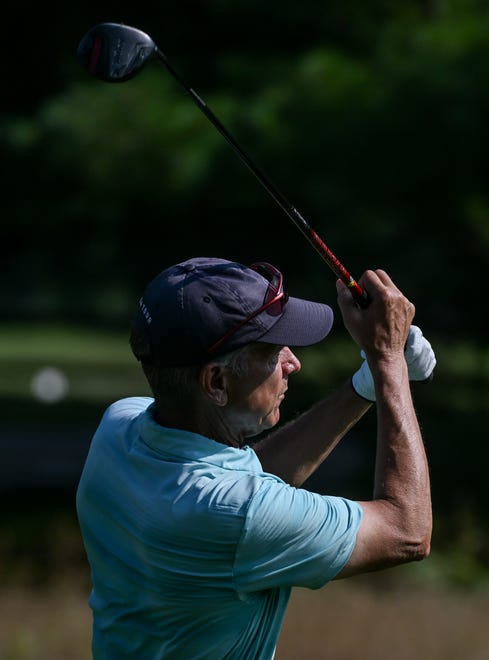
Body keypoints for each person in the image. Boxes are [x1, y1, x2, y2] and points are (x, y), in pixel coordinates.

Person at [76, 256, 435, 659]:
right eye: (271, 352)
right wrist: (388, 360)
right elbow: (407, 530)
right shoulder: (239, 516)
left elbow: (240, 479)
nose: (292, 362)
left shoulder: (118, 429)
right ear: (216, 381)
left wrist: (364, 386)